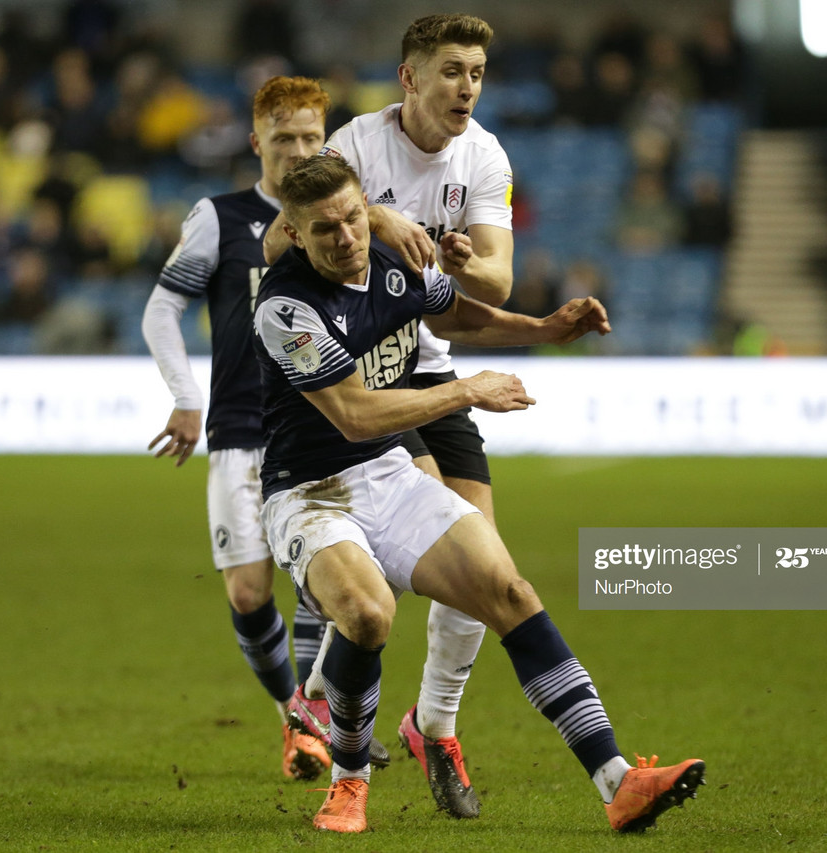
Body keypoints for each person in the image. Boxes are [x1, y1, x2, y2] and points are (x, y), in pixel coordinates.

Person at [256, 153, 704, 833]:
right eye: (325, 230)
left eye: (353, 217)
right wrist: (465, 390)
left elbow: (457, 316)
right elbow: (352, 413)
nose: (346, 236)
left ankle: (619, 780)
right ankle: (349, 782)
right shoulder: (285, 306)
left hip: (388, 473)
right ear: (294, 234)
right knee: (370, 614)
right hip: (310, 493)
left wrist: (546, 329)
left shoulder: (392, 261)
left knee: (511, 591)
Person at [263, 13, 512, 819]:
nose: (465, 87)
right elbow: (279, 242)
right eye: (451, 71)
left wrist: (473, 263)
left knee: (481, 567)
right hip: (379, 376)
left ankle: (430, 721)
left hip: (434, 363)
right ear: (411, 78)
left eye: (475, 72)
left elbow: (496, 286)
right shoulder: (357, 146)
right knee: (381, 569)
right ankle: (332, 704)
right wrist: (378, 216)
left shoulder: (486, 156)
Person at [141, 75, 386, 782]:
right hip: (241, 429)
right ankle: (294, 714)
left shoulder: (339, 218)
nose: (299, 150)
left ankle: (325, 730)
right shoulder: (221, 218)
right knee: (249, 593)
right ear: (258, 143)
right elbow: (163, 310)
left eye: (312, 137)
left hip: (317, 430)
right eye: (285, 139)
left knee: (330, 591)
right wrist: (187, 396)